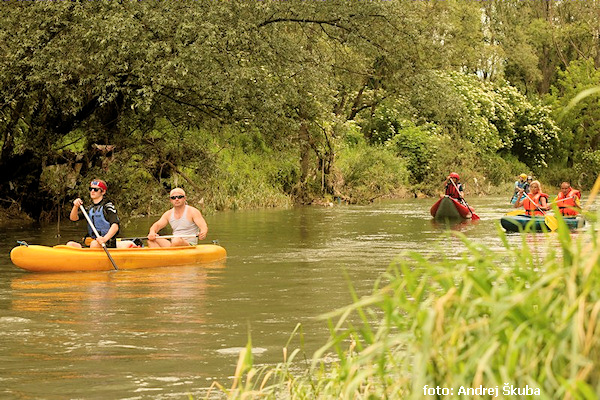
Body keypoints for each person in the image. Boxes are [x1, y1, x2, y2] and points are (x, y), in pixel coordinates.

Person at [67, 179, 120, 248]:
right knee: (70, 244)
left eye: (96, 189)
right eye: (91, 189)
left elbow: (115, 226)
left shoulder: (108, 207)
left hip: (107, 243)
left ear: (103, 192)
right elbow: (73, 218)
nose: (92, 191)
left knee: (94, 244)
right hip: (92, 242)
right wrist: (75, 206)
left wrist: (104, 239)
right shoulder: (90, 208)